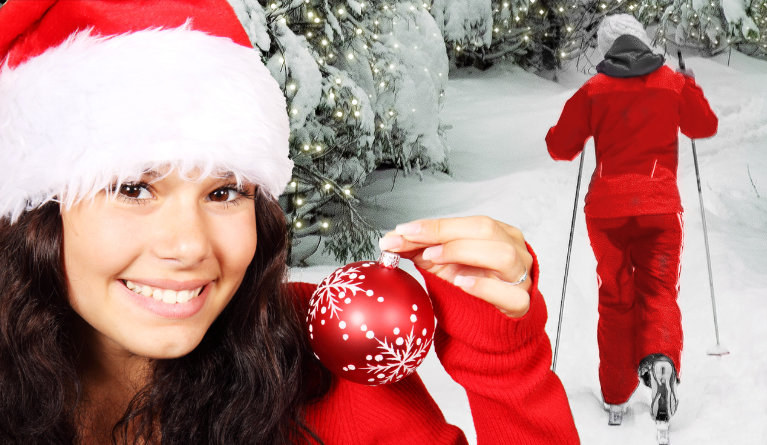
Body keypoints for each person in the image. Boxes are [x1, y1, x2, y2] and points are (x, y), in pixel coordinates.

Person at [0, 1, 580, 443]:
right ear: (37, 211)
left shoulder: (322, 360)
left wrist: (505, 371)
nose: (188, 245)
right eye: (132, 188)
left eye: (224, 191)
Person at [545, 14, 718, 427]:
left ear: (607, 50)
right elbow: (703, 125)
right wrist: (690, 84)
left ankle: (616, 395)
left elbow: (559, 147)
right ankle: (661, 363)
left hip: (607, 215)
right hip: (659, 210)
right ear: (642, 41)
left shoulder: (594, 89)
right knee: (659, 291)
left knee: (616, 297)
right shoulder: (672, 83)